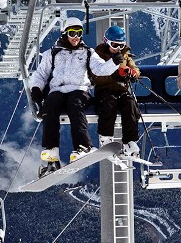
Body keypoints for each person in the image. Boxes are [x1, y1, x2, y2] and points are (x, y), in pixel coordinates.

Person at [29, 17, 121, 170]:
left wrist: (114, 63)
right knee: (50, 105)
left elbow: (100, 69)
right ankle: (51, 149)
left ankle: (82, 146)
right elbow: (41, 74)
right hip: (58, 89)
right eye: (72, 33)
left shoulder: (88, 53)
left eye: (79, 33)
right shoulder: (52, 53)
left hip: (79, 89)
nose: (76, 37)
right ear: (64, 33)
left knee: (75, 106)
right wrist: (36, 88)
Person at [92, 25, 141, 156]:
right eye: (115, 45)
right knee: (108, 104)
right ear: (106, 41)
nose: (118, 49)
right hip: (104, 90)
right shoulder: (98, 54)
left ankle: (130, 140)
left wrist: (133, 73)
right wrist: (115, 73)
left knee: (130, 104)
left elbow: (135, 69)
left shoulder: (125, 55)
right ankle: (106, 137)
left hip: (121, 90)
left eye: (121, 45)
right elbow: (96, 76)